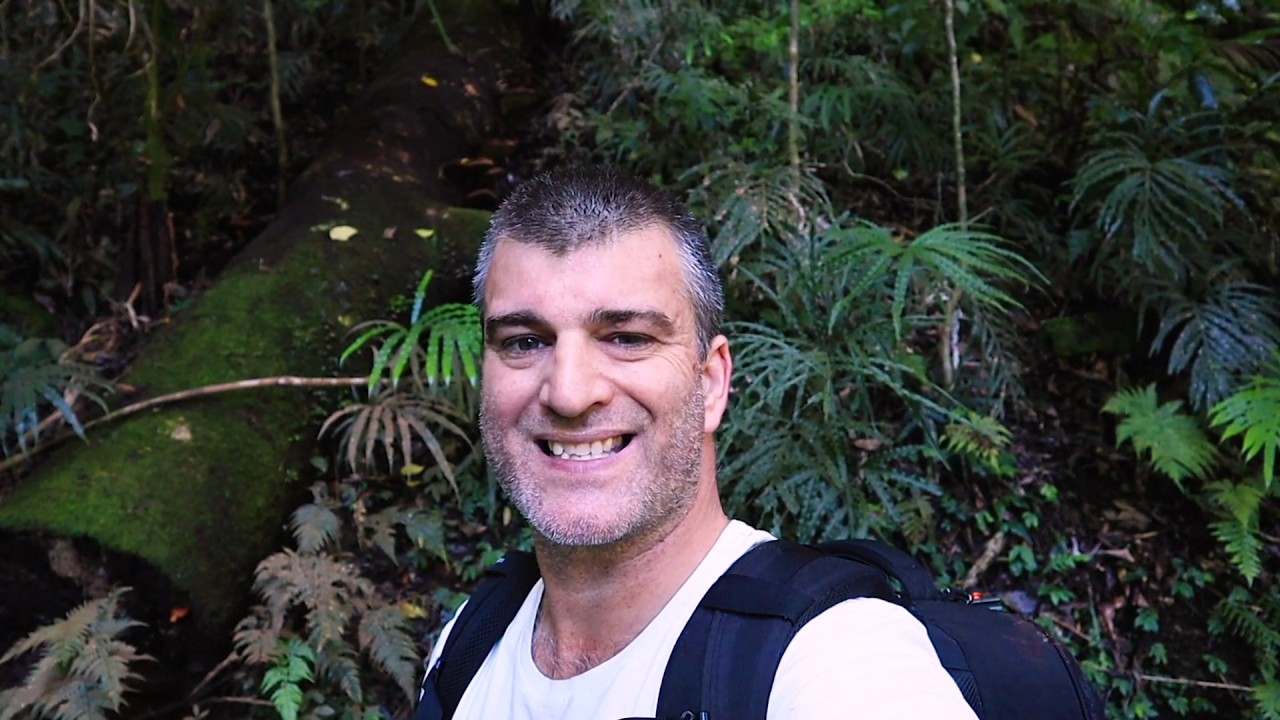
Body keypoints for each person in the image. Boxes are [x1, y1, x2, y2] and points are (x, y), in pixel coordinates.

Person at [422, 165, 978, 719]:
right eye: (524, 342)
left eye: (627, 338)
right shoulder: (471, 643)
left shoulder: (836, 656)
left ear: (711, 382)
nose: (569, 394)